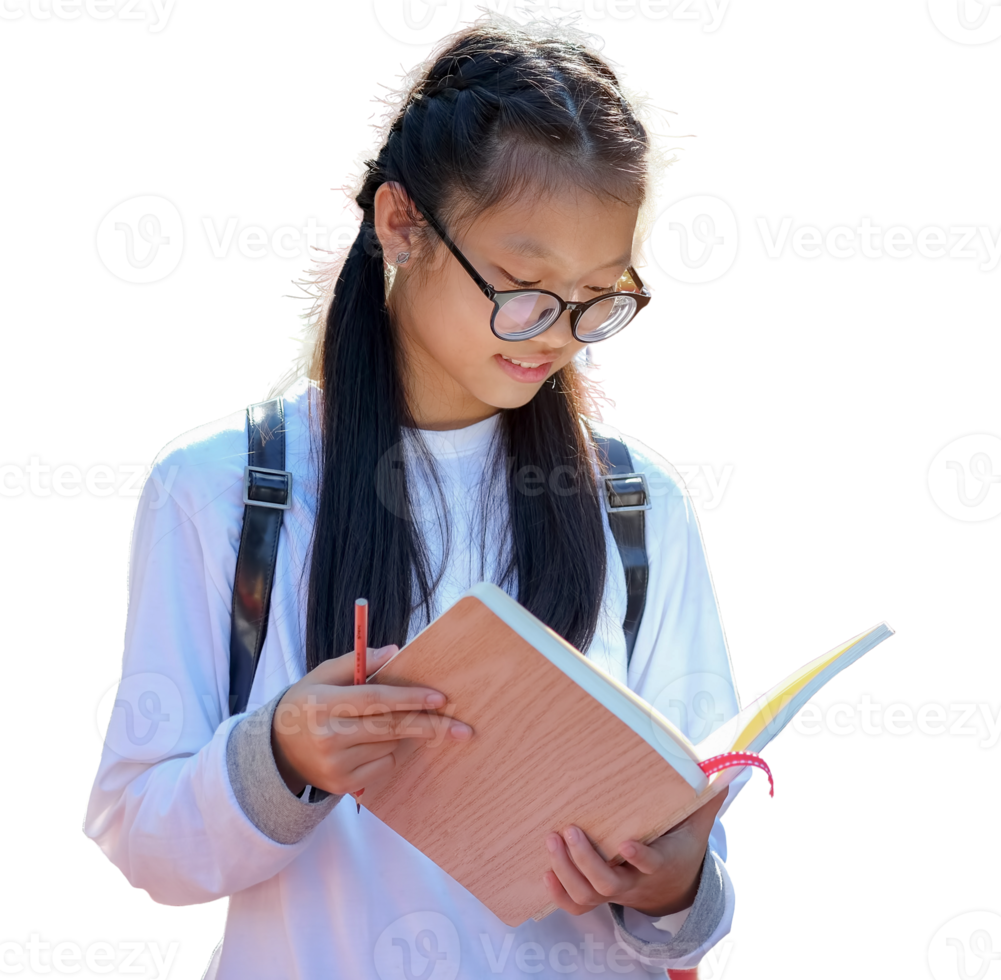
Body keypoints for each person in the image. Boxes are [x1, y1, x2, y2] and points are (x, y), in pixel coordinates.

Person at [83, 9, 753, 978]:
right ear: (400, 222)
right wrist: (280, 756)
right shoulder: (225, 486)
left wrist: (668, 880)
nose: (554, 333)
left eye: (598, 297)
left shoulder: (636, 498)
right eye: (521, 285)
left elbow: (695, 903)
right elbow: (140, 838)